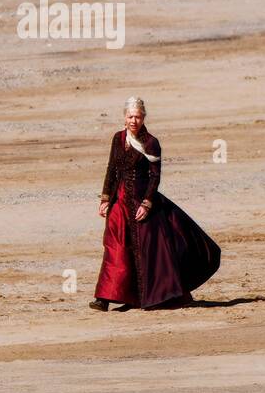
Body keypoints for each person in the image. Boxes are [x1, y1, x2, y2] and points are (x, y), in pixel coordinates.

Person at [91, 97, 221, 310]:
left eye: (138, 117)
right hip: (119, 202)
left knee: (149, 251)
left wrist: (147, 203)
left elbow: (155, 176)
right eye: (130, 116)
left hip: (141, 203)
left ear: (143, 118)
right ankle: (103, 298)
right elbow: (111, 169)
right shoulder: (117, 138)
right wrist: (105, 198)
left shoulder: (151, 142)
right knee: (115, 247)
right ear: (124, 117)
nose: (134, 120)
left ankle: (148, 296)